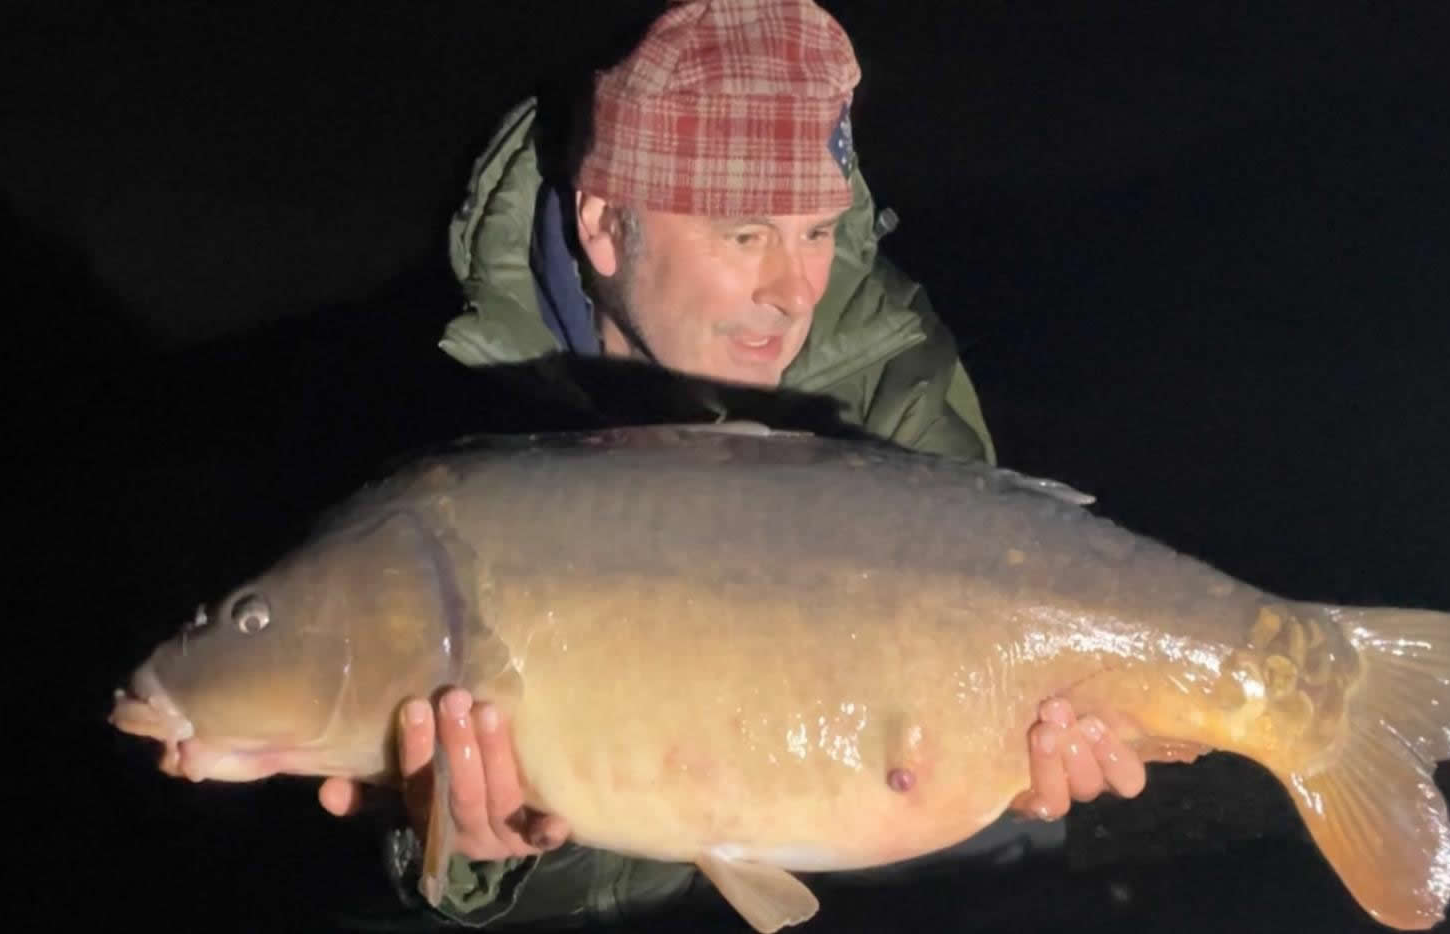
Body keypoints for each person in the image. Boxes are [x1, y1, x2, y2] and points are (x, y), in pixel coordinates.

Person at [320, 0, 1149, 927]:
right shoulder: (440, 406)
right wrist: (469, 843)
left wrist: (1025, 765)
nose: (794, 291)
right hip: (605, 891)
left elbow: (1021, 650)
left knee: (1015, 851)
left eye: (816, 232)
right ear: (605, 224)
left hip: (852, 851)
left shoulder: (885, 376)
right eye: (745, 235)